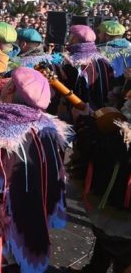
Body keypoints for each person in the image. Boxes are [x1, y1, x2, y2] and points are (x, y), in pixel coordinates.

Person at [0, 67, 70, 272]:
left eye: (7, 83)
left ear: (11, 90)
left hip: (3, 223)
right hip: (37, 210)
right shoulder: (46, 124)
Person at [68, 108, 131, 273]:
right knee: (106, 238)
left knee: (122, 248)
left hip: (124, 202)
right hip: (112, 194)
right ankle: (95, 269)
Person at [61, 25, 114, 112]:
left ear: (75, 38)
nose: (68, 37)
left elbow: (68, 87)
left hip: (80, 110)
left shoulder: (73, 61)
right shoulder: (103, 60)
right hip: (103, 110)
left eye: (70, 35)